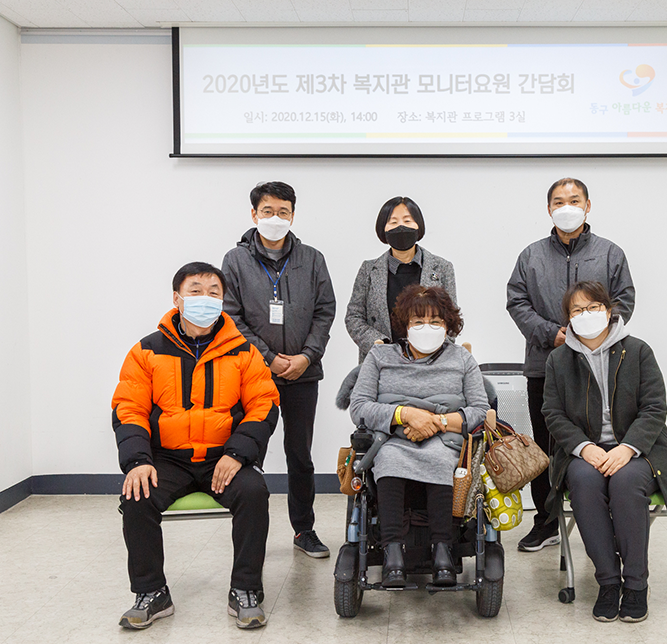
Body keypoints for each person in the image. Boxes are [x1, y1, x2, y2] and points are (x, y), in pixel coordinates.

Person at [112, 262, 280, 630]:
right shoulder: (147, 351)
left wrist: (237, 454)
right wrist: (138, 461)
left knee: (254, 492)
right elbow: (129, 408)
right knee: (136, 496)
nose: (205, 298)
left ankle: (246, 589)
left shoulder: (244, 351)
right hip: (167, 460)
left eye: (213, 292)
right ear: (177, 298)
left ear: (223, 300)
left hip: (224, 458)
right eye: (195, 291)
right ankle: (151, 592)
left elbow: (264, 404)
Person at [543, 280, 667, 623]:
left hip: (639, 450)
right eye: (577, 310)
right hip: (584, 452)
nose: (586, 314)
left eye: (593, 307)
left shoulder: (637, 351)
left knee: (625, 483)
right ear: (568, 319)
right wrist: (584, 448)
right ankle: (608, 582)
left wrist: (628, 448)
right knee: (584, 482)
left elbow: (654, 408)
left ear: (609, 311)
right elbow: (553, 413)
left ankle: (636, 585)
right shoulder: (558, 360)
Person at [506, 177, 636, 552]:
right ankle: (546, 521)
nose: (567, 207)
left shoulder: (610, 253)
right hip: (545, 364)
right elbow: (516, 301)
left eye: (574, 200)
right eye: (559, 202)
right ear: (549, 209)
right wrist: (553, 334)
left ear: (587, 206)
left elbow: (624, 300)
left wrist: (592, 333)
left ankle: (606, 514)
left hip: (602, 365)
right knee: (546, 446)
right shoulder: (531, 256)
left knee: (601, 437)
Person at [222, 181, 336, 558]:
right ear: (254, 214)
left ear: (293, 215)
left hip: (304, 373)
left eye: (283, 212)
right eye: (268, 211)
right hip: (254, 374)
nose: (275, 218)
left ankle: (304, 530)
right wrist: (269, 357)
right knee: (250, 452)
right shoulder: (235, 261)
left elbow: (325, 311)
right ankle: (249, 534)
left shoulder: (312, 259)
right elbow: (231, 316)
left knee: (299, 456)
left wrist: (306, 357)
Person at [348, 285, 489, 588]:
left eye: (435, 321)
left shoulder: (461, 359)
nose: (427, 328)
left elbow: (480, 410)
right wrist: (405, 415)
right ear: (405, 325)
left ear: (448, 325)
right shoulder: (380, 356)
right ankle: (393, 553)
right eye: (418, 321)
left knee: (439, 458)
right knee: (390, 458)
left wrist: (435, 422)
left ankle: (443, 551)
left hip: (445, 439)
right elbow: (358, 407)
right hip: (392, 439)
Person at [345, 196, 456, 363]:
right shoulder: (368, 269)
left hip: (431, 362)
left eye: (407, 220)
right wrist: (381, 345)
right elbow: (354, 316)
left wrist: (430, 350)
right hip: (381, 360)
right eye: (393, 222)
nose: (401, 227)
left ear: (419, 226)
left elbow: (452, 319)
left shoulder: (442, 267)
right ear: (383, 229)